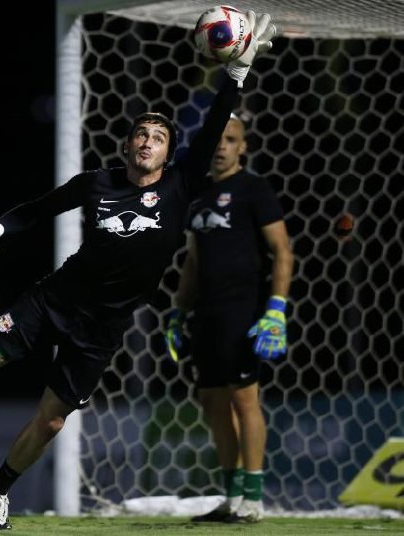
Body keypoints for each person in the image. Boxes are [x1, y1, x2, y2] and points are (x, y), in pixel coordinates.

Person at [0, 11, 277, 530]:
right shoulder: (97, 184)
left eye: (159, 135)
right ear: (128, 145)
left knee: (54, 418)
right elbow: (38, 211)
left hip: (103, 327)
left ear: (171, 152)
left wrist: (236, 76)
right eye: (142, 133)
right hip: (54, 299)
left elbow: (215, 124)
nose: (149, 140)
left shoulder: (179, 186)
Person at [164, 112, 293, 523]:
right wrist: (178, 313)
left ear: (243, 146)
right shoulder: (197, 195)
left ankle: (253, 499)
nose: (221, 146)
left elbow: (283, 251)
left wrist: (276, 309)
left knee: (244, 398)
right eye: (216, 140)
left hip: (245, 311)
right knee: (213, 401)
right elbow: (193, 262)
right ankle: (232, 495)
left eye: (231, 139)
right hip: (207, 315)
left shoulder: (253, 189)